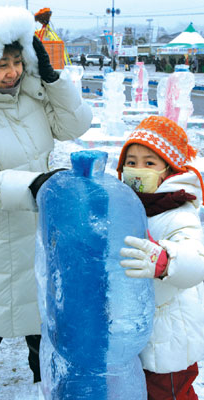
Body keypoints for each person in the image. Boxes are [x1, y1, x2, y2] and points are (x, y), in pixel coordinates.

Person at [0, 6, 92, 394]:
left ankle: (45, 387)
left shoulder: (34, 99)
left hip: (42, 231)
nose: (12, 72)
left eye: (16, 61)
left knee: (41, 322)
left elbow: (75, 125)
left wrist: (54, 80)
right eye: (0, 64)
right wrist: (38, 184)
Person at [116, 115, 204, 400]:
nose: (138, 170)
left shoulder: (178, 211)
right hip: (135, 330)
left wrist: (166, 261)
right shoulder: (124, 205)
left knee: (171, 394)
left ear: (168, 169)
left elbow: (197, 259)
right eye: (131, 162)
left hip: (169, 337)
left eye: (149, 163)